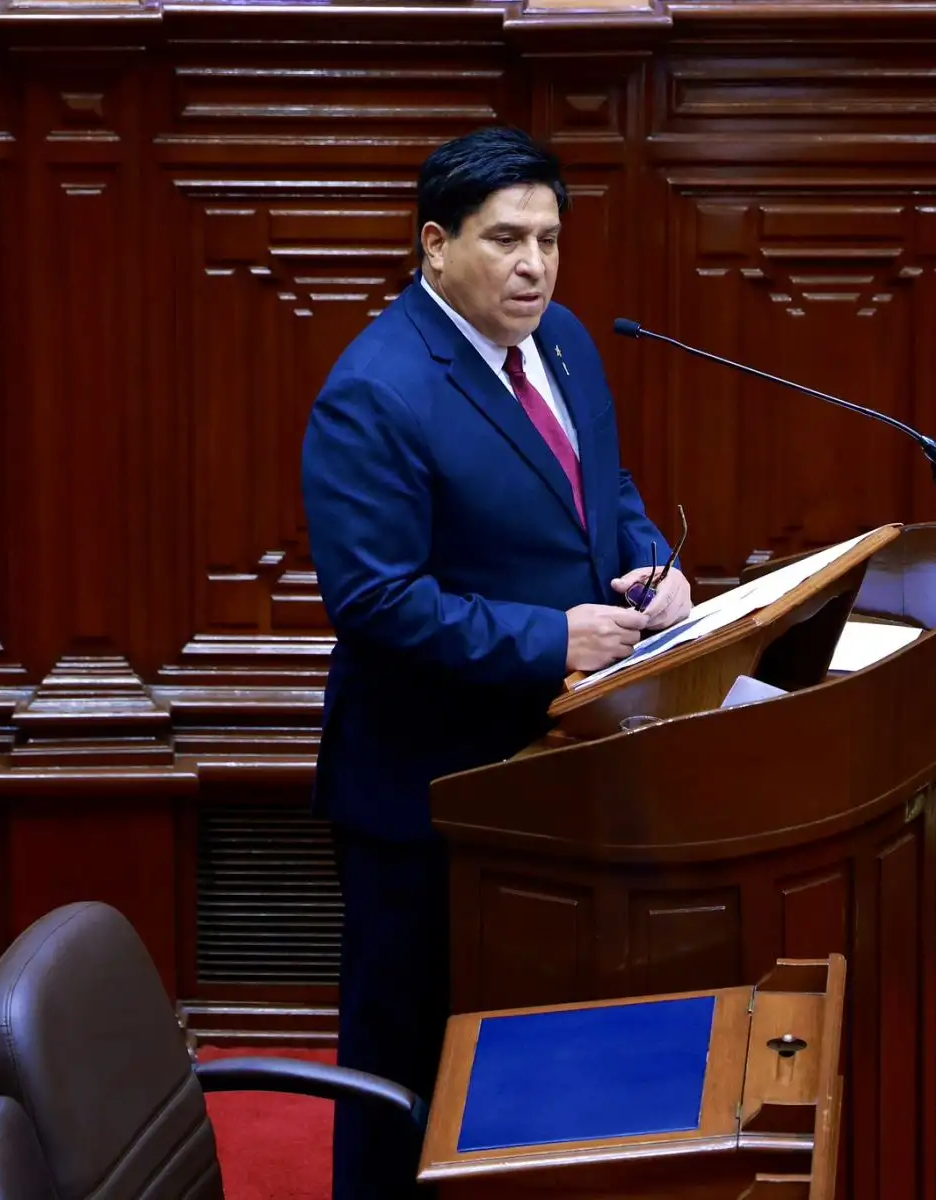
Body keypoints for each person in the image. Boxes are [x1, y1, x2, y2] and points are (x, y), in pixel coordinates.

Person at [299, 125, 693, 1200]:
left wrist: (653, 566)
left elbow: (601, 490)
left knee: (529, 1056)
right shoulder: (376, 391)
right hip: (426, 797)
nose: (535, 266)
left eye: (550, 240)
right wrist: (552, 639)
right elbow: (374, 603)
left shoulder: (563, 341)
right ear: (434, 245)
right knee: (406, 1065)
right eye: (506, 240)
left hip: (556, 772)